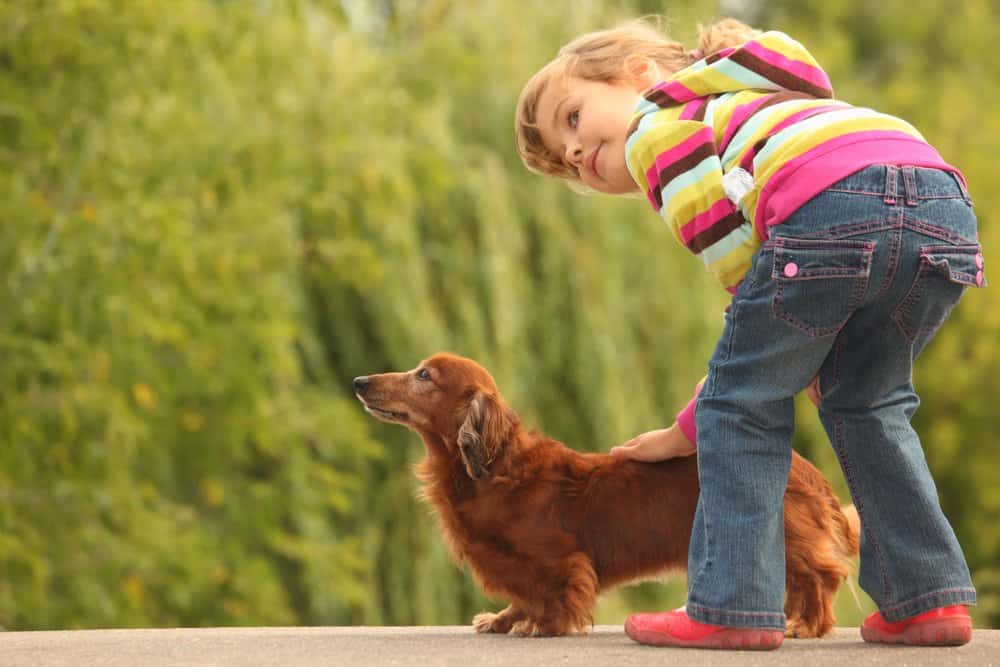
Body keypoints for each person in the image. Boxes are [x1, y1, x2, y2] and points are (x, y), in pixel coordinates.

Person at [515, 17, 982, 650]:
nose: (573, 153)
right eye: (566, 164)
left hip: (827, 206)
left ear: (640, 75)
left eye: (571, 119)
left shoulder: (656, 129)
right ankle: (926, 599)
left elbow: (746, 291)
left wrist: (691, 428)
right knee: (870, 403)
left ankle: (732, 604)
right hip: (939, 206)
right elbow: (775, 327)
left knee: (740, 409)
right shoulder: (761, 93)